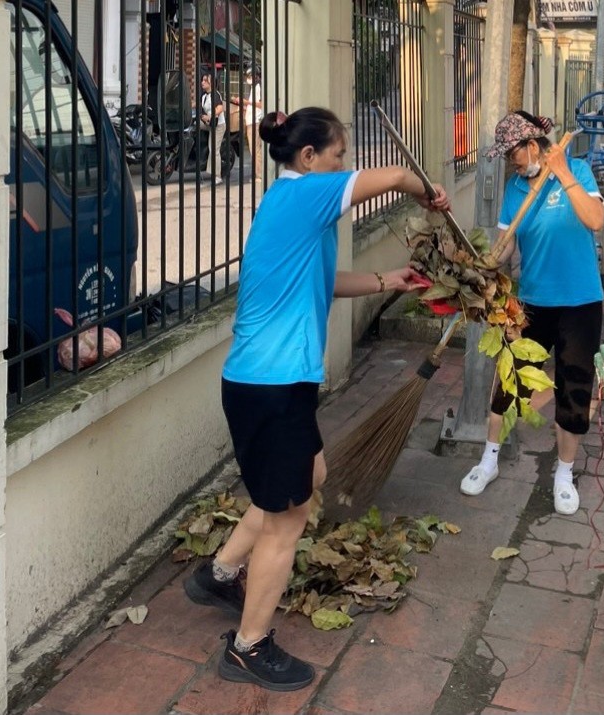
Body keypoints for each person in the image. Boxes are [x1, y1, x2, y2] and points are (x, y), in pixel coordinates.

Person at [182, 106, 451, 691]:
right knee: (290, 515)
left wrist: (387, 281)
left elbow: (321, 284)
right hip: (268, 385)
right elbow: (396, 178)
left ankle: (221, 574)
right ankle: (248, 649)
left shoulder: (294, 213)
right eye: (338, 156)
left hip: (278, 382)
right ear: (309, 158)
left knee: (312, 473)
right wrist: (428, 191)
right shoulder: (303, 194)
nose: (343, 166)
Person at [459, 110, 604, 516]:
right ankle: (488, 459)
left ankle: (563, 473)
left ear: (532, 145)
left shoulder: (577, 170)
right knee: (510, 381)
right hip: (533, 302)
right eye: (507, 156)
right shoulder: (514, 188)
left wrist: (563, 174)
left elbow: (595, 218)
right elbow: (508, 243)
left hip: (579, 303)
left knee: (573, 388)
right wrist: (488, 264)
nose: (512, 161)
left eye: (513, 153)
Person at [232, 67, 264, 183]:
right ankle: (258, 173)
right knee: (253, 149)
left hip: (255, 121)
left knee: (256, 149)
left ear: (255, 76)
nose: (248, 79)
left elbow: (261, 104)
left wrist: (246, 102)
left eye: (250, 77)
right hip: (251, 120)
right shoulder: (254, 88)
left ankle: (259, 175)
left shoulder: (259, 87)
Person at [199, 73, 226, 184]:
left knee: (214, 149)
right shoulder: (204, 96)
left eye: (205, 80)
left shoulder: (215, 94)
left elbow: (220, 108)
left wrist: (210, 116)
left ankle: (218, 176)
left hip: (218, 126)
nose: (202, 82)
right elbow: (198, 105)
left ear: (211, 82)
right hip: (209, 124)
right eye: (202, 80)